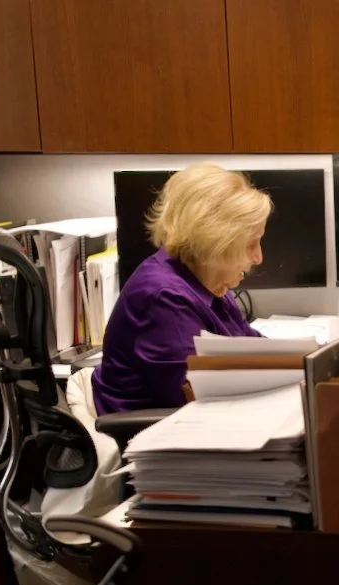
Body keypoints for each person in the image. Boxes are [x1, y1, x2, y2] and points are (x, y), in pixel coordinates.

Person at [92, 163, 271, 414]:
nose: (258, 257)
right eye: (251, 243)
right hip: (160, 437)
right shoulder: (162, 298)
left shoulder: (206, 285)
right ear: (217, 242)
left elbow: (256, 351)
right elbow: (196, 395)